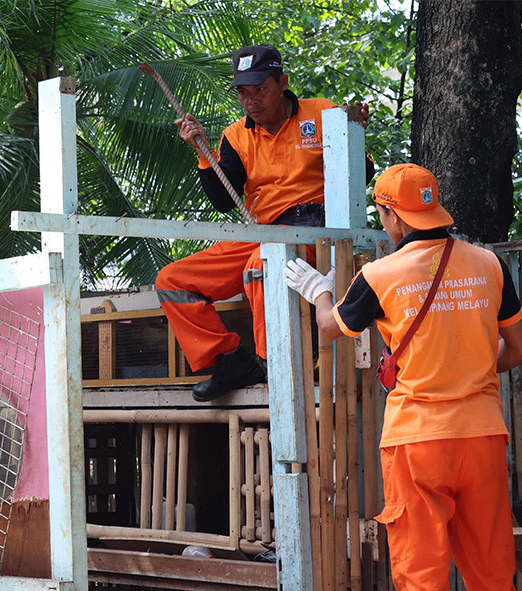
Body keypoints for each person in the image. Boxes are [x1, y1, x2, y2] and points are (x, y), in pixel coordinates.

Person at [285, 163, 522, 591]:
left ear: (392, 215)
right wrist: (469, 371)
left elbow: (332, 329)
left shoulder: (380, 276)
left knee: (422, 580)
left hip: (416, 442)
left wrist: (319, 290)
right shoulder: (489, 266)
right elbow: (520, 349)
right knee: (493, 574)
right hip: (483, 435)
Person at [156, 44, 370, 401]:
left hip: (313, 231)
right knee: (172, 281)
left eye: (260, 90)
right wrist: (202, 151)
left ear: (282, 83)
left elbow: (362, 173)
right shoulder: (236, 135)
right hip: (260, 232)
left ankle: (275, 365)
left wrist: (352, 130)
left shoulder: (322, 112)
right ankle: (230, 360)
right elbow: (224, 201)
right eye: (243, 92)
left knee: (262, 264)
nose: (251, 100)